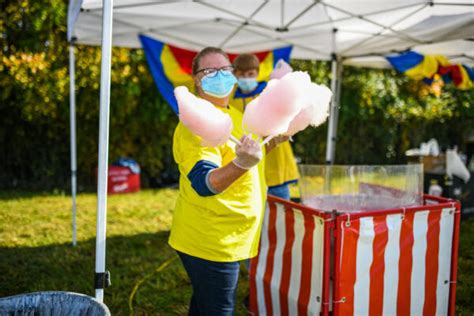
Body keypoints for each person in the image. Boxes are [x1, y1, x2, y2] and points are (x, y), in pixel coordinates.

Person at [169, 47, 281, 315]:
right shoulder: (195, 124)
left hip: (230, 235)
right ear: (196, 80)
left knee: (204, 306)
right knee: (218, 309)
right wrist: (242, 163)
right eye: (209, 71)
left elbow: (245, 154)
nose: (219, 75)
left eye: (224, 69)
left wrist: (273, 140)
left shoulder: (236, 115)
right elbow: (205, 183)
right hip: (211, 241)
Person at [231, 53, 299, 200]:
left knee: (281, 214)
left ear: (257, 73)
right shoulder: (230, 100)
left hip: (276, 159)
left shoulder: (269, 92)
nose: (246, 77)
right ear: (234, 74)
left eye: (250, 73)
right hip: (248, 165)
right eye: (241, 74)